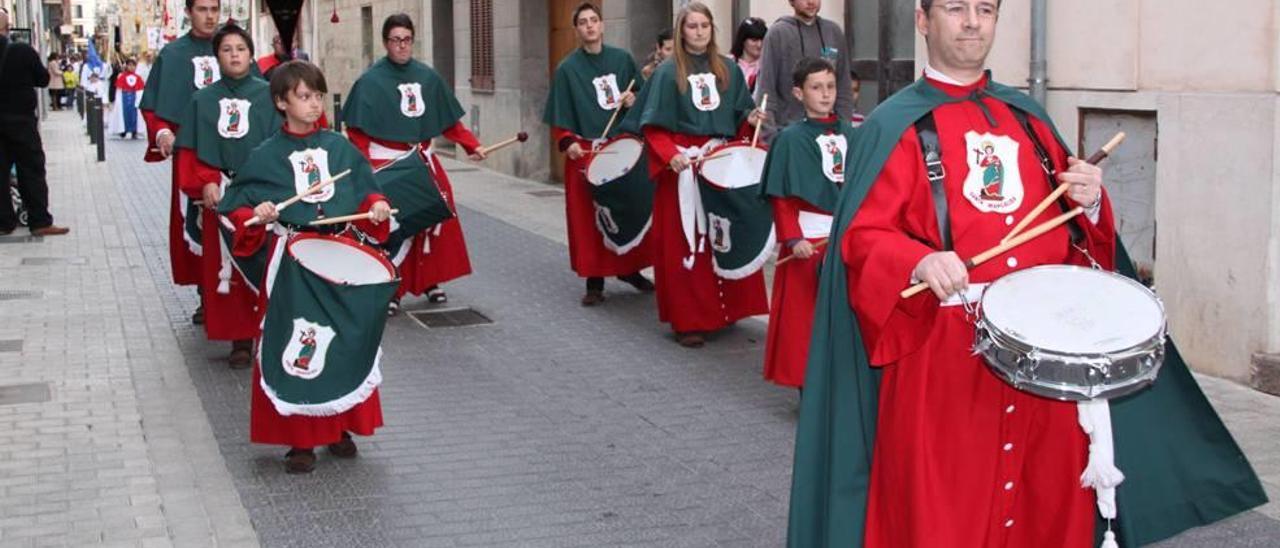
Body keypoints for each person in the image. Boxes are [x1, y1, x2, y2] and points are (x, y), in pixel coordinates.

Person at [786, 1, 1267, 546]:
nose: (972, 21)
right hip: (943, 362)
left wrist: (1088, 203)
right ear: (923, 21)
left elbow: (1081, 240)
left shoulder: (1029, 118)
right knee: (944, 516)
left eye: (985, 9)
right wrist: (917, 258)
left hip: (1048, 370)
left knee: (1047, 508)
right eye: (955, 8)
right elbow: (862, 239)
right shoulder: (889, 126)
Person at [219, 60, 393, 474]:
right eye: (303, 96)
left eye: (317, 95)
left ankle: (340, 427)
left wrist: (376, 206)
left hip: (339, 256)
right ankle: (300, 441)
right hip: (294, 262)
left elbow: (365, 189)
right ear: (281, 102)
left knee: (343, 342)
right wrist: (257, 213)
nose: (314, 104)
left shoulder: (339, 147)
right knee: (295, 342)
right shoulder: (266, 154)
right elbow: (236, 208)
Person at [623, 2, 767, 348]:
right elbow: (653, 128)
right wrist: (670, 156)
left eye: (705, 25)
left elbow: (740, 113)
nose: (699, 31)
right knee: (685, 245)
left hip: (717, 164)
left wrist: (749, 118)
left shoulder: (727, 71)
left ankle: (725, 310)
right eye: (692, 26)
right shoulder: (667, 72)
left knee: (722, 236)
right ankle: (687, 319)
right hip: (683, 169)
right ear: (681, 30)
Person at [342, 13, 485, 311]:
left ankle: (430, 281)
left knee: (433, 217)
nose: (402, 46)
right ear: (385, 43)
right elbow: (356, 132)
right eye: (395, 40)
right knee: (397, 227)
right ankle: (393, 289)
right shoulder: (370, 81)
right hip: (389, 165)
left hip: (421, 159)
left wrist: (471, 144)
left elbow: (449, 122)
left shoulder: (427, 76)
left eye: (407, 40)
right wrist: (367, 168)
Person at [173, 24, 281, 368]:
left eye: (241, 48)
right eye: (226, 49)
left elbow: (284, 145)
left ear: (251, 54)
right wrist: (204, 182)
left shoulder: (270, 95)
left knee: (267, 265)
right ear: (216, 56)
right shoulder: (201, 100)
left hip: (262, 194)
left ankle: (270, 334)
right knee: (229, 273)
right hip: (221, 194)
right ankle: (240, 340)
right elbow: (189, 152)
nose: (235, 54)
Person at [542, 2, 655, 306]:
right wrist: (568, 142)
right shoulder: (567, 69)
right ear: (577, 30)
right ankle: (595, 280)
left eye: (594, 20)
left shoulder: (622, 59)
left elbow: (645, 98)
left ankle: (630, 269)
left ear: (602, 25)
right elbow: (559, 117)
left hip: (620, 150)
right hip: (587, 152)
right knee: (589, 219)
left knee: (629, 210)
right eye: (583, 22)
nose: (590, 26)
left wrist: (634, 99)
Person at [759, 58, 853, 389]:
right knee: (805, 321)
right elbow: (781, 196)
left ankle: (840, 383)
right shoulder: (789, 139)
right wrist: (792, 238)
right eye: (816, 87)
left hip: (845, 238)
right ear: (799, 93)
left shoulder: (851, 132)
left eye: (830, 86)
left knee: (844, 317)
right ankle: (806, 386)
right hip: (808, 241)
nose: (825, 94)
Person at [141, 0, 227, 324]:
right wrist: (162, 133)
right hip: (193, 155)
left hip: (231, 157)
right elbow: (153, 107)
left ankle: (235, 293)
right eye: (202, 9)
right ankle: (207, 293)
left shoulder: (234, 49)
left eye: (214, 9)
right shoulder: (173, 55)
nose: (209, 16)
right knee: (198, 226)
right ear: (189, 12)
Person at [0, 8, 69, 236]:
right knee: (31, 169)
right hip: (21, 122)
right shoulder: (21, 50)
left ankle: (4, 223)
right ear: (7, 28)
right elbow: (43, 79)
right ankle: (39, 221)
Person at [753, 0, 855, 139]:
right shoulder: (777, 33)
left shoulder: (833, 32)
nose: (811, 2)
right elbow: (766, 90)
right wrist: (771, 137)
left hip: (829, 133)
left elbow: (844, 87)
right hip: (788, 132)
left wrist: (844, 129)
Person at [729, 17, 767, 93]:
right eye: (754, 40)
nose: (759, 45)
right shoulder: (728, 63)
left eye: (763, 40)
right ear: (742, 40)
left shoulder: (767, 66)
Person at [114, 58, 144, 139]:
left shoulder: (138, 78)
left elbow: (140, 90)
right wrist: (118, 100)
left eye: (133, 65)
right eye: (129, 65)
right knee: (124, 114)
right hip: (124, 97)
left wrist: (138, 100)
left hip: (134, 97)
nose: (131, 67)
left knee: (134, 115)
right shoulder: (122, 77)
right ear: (126, 66)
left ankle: (134, 130)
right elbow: (119, 90)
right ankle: (123, 130)